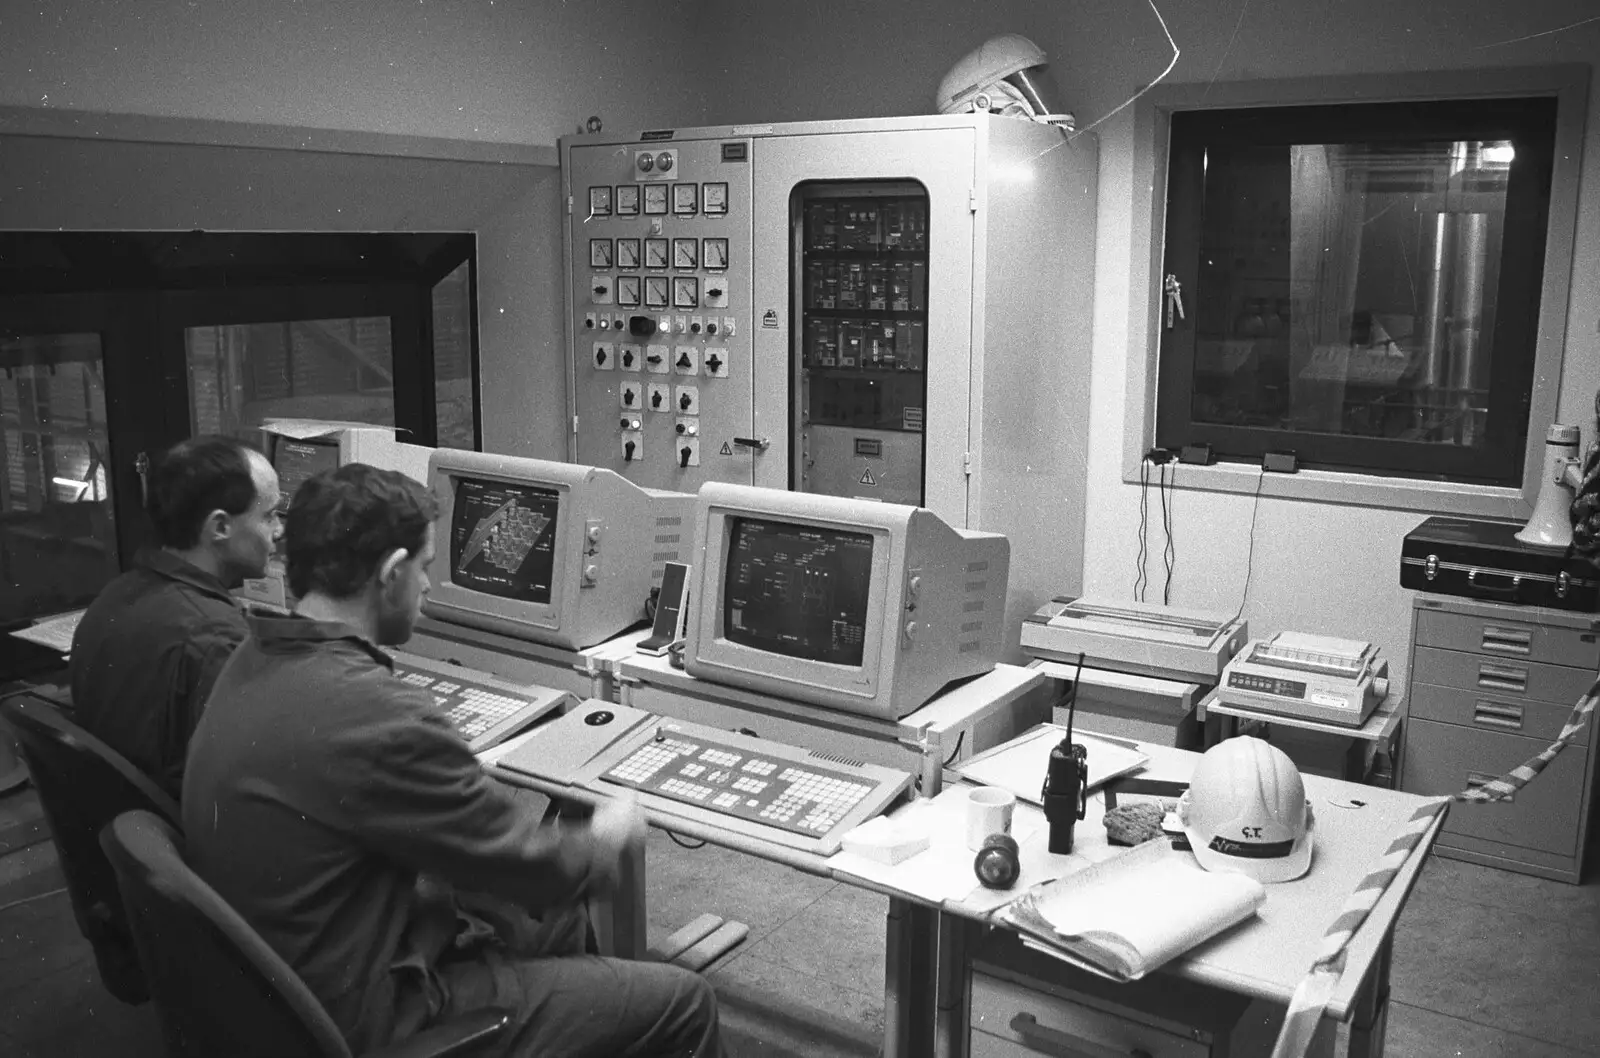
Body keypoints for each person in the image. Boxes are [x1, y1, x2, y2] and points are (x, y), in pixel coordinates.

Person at [183, 463, 722, 1057]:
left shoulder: (250, 653)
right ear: (390, 575)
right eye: (424, 569)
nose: (430, 588)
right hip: (376, 1015)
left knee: (551, 924)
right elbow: (533, 870)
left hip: (276, 996)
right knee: (684, 1001)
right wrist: (608, 833)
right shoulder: (379, 714)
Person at [70, 435, 282, 800]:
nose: (279, 530)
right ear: (219, 527)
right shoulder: (217, 639)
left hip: (131, 833)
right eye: (269, 515)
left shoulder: (116, 594)